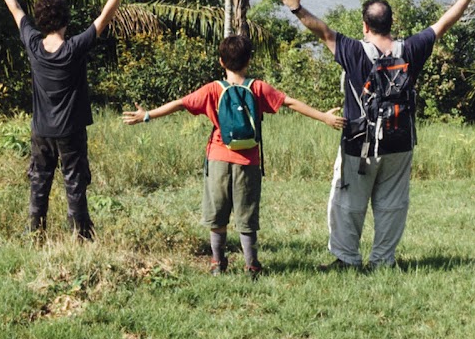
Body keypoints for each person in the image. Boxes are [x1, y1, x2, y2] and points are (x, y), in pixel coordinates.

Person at [274, 0, 475, 270]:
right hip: (399, 141)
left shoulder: (353, 51)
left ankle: (347, 259)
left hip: (359, 144)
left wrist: (296, 7)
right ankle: (383, 261)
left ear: (365, 26)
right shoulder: (410, 49)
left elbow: (322, 31)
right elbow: (442, 25)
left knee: (348, 203)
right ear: (391, 23)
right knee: (392, 205)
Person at [122, 34, 343, 278]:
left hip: (218, 158)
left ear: (221, 61)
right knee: (246, 216)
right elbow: (289, 102)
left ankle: (218, 263)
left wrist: (146, 115)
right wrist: (324, 117)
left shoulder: (212, 89)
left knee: (217, 214)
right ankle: (252, 265)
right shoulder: (258, 88)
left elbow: (180, 103)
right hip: (248, 161)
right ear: (248, 61)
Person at [0, 0, 133, 240]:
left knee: (39, 182)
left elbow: (15, 8)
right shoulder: (74, 48)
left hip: (41, 131)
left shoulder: (34, 45)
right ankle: (82, 236)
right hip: (70, 131)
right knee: (75, 183)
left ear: (41, 22)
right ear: (65, 21)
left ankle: (35, 234)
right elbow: (104, 19)